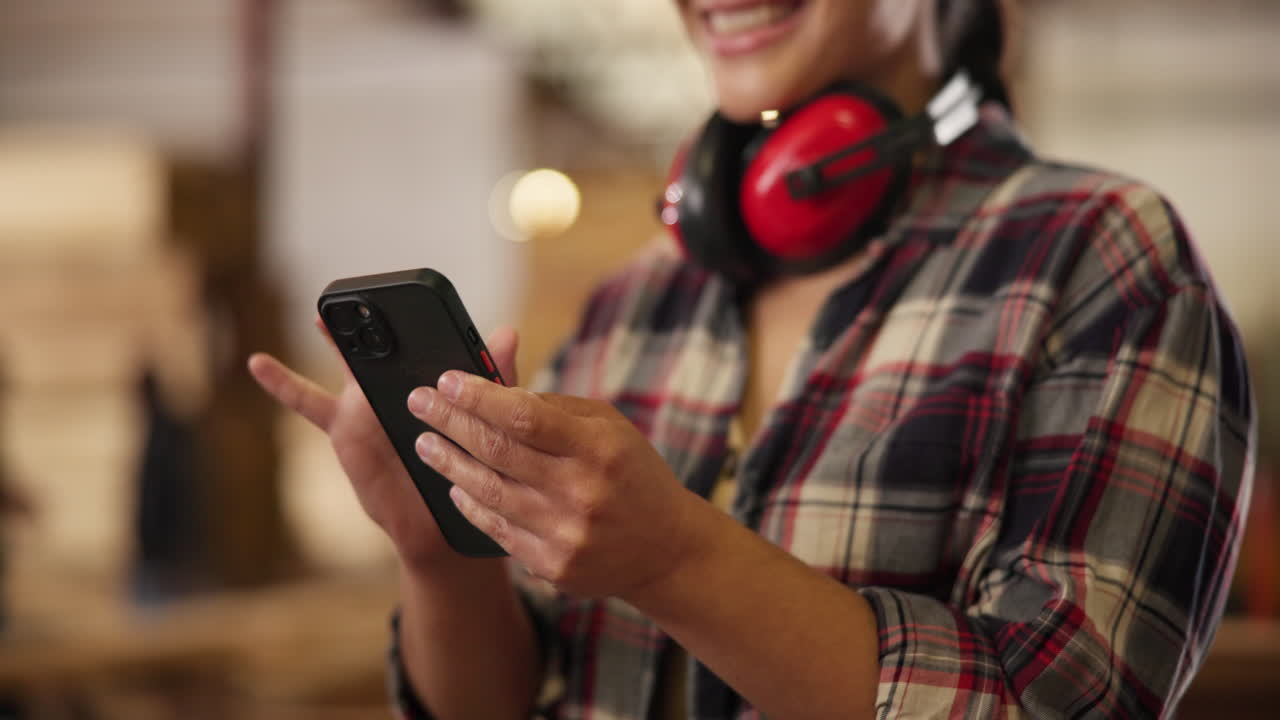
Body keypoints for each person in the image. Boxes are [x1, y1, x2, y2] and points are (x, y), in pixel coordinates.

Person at [248, 0, 1255, 717]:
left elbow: (1059, 705)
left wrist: (677, 558)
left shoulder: (1099, 257)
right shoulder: (639, 299)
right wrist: (439, 551)